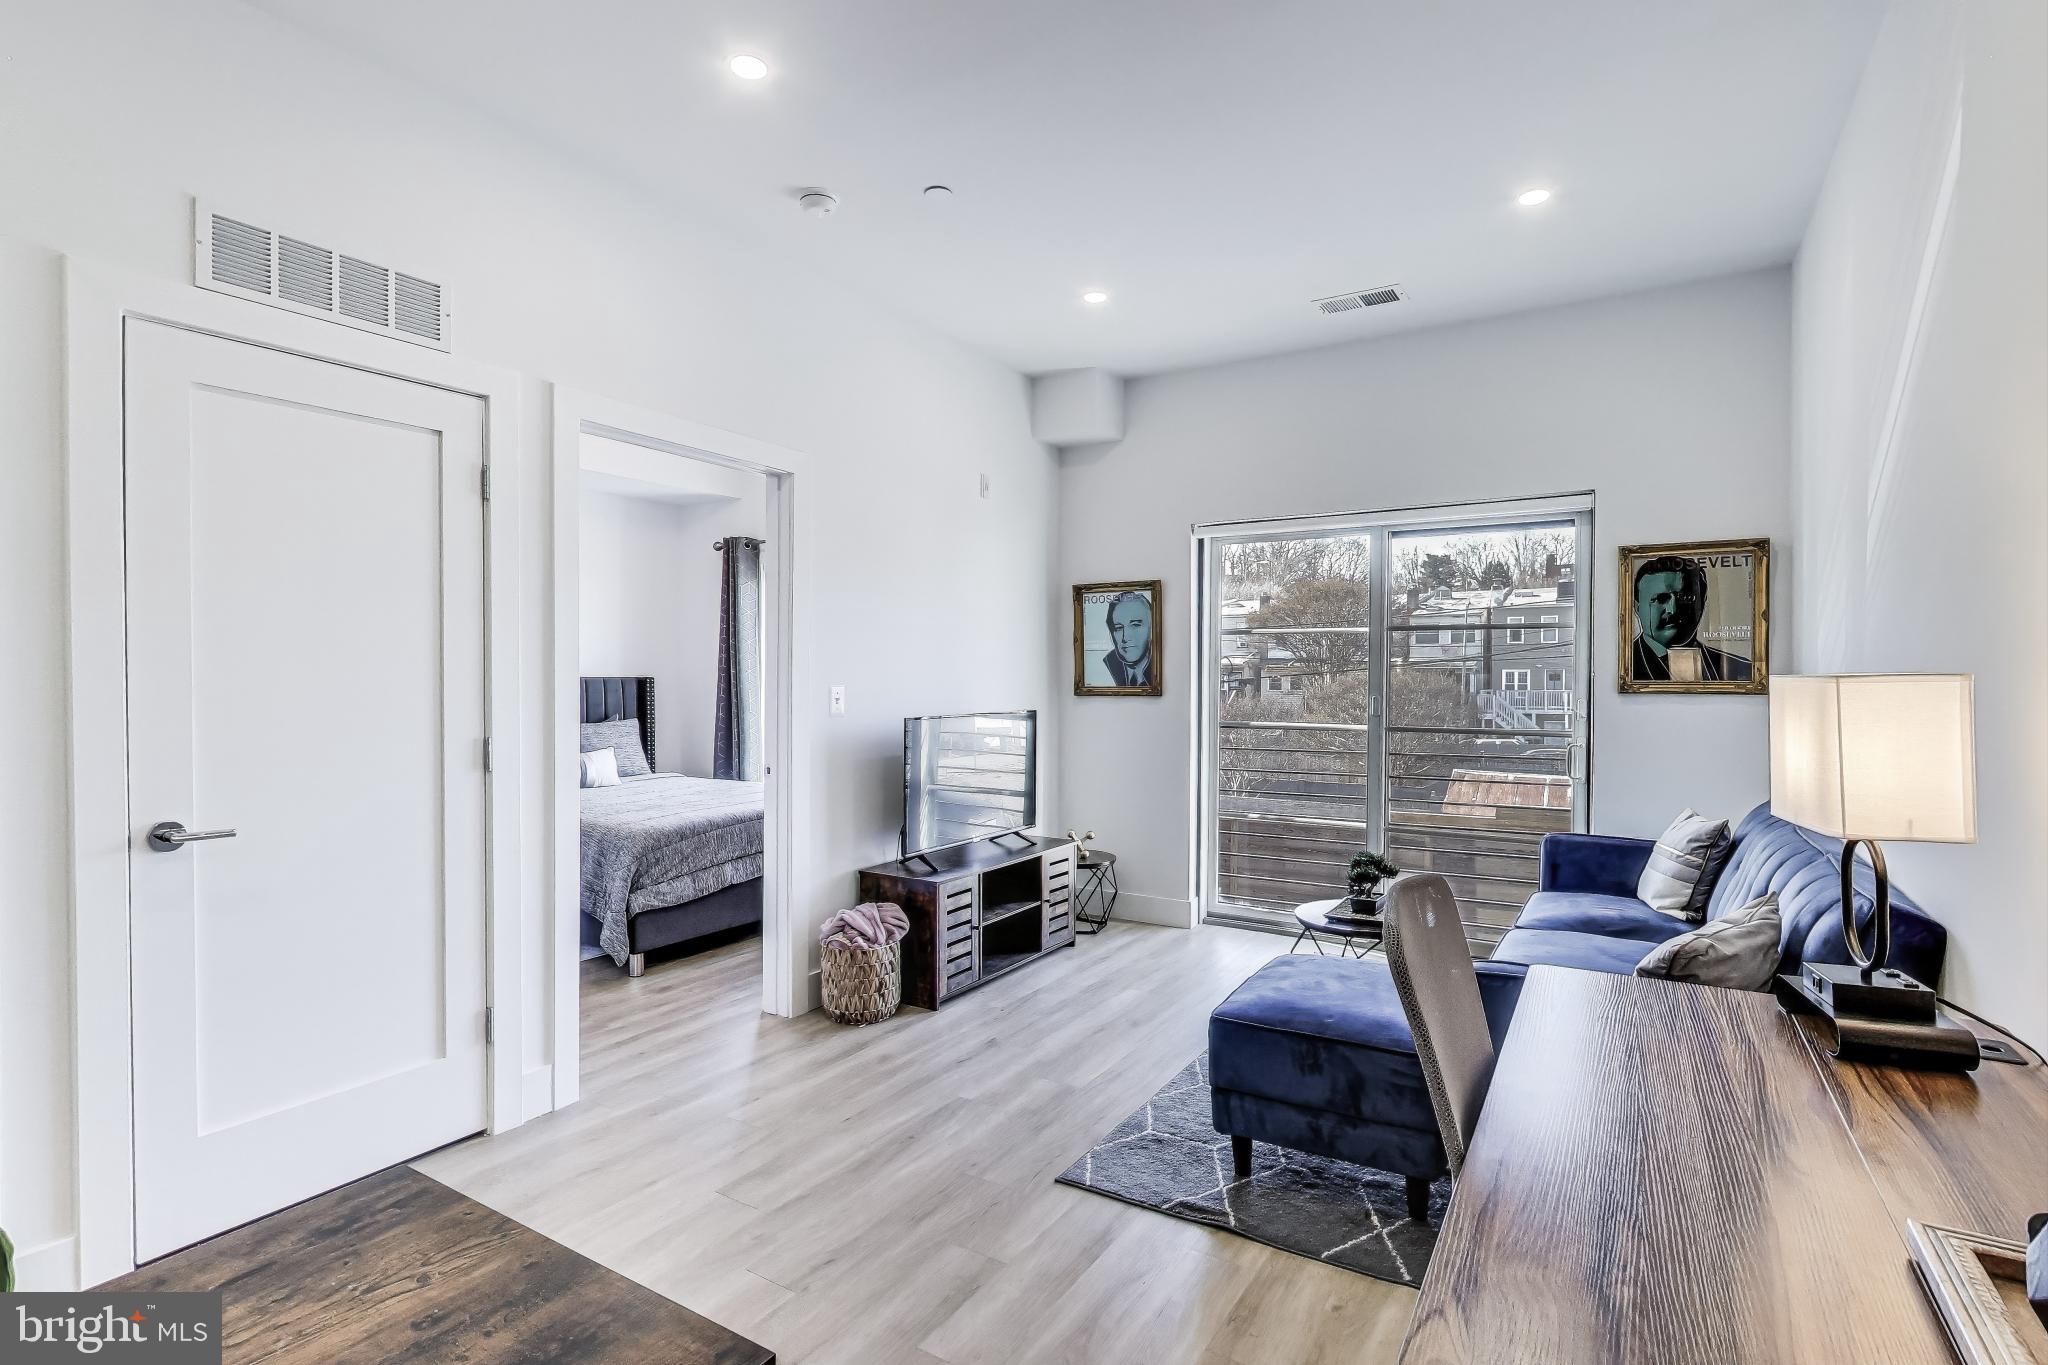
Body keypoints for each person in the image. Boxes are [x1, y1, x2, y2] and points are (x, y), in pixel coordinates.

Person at [1628, 554, 1751, 682]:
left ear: (1702, 602)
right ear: (1637, 607)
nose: (1673, 609)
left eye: (1686, 597)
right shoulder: (1624, 667)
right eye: (1661, 598)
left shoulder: (1743, 670)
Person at [1101, 591, 1154, 687]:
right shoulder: (1106, 666)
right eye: (1118, 628)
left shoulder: (1162, 664)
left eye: (1135, 625)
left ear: (1151, 627)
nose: (1125, 637)